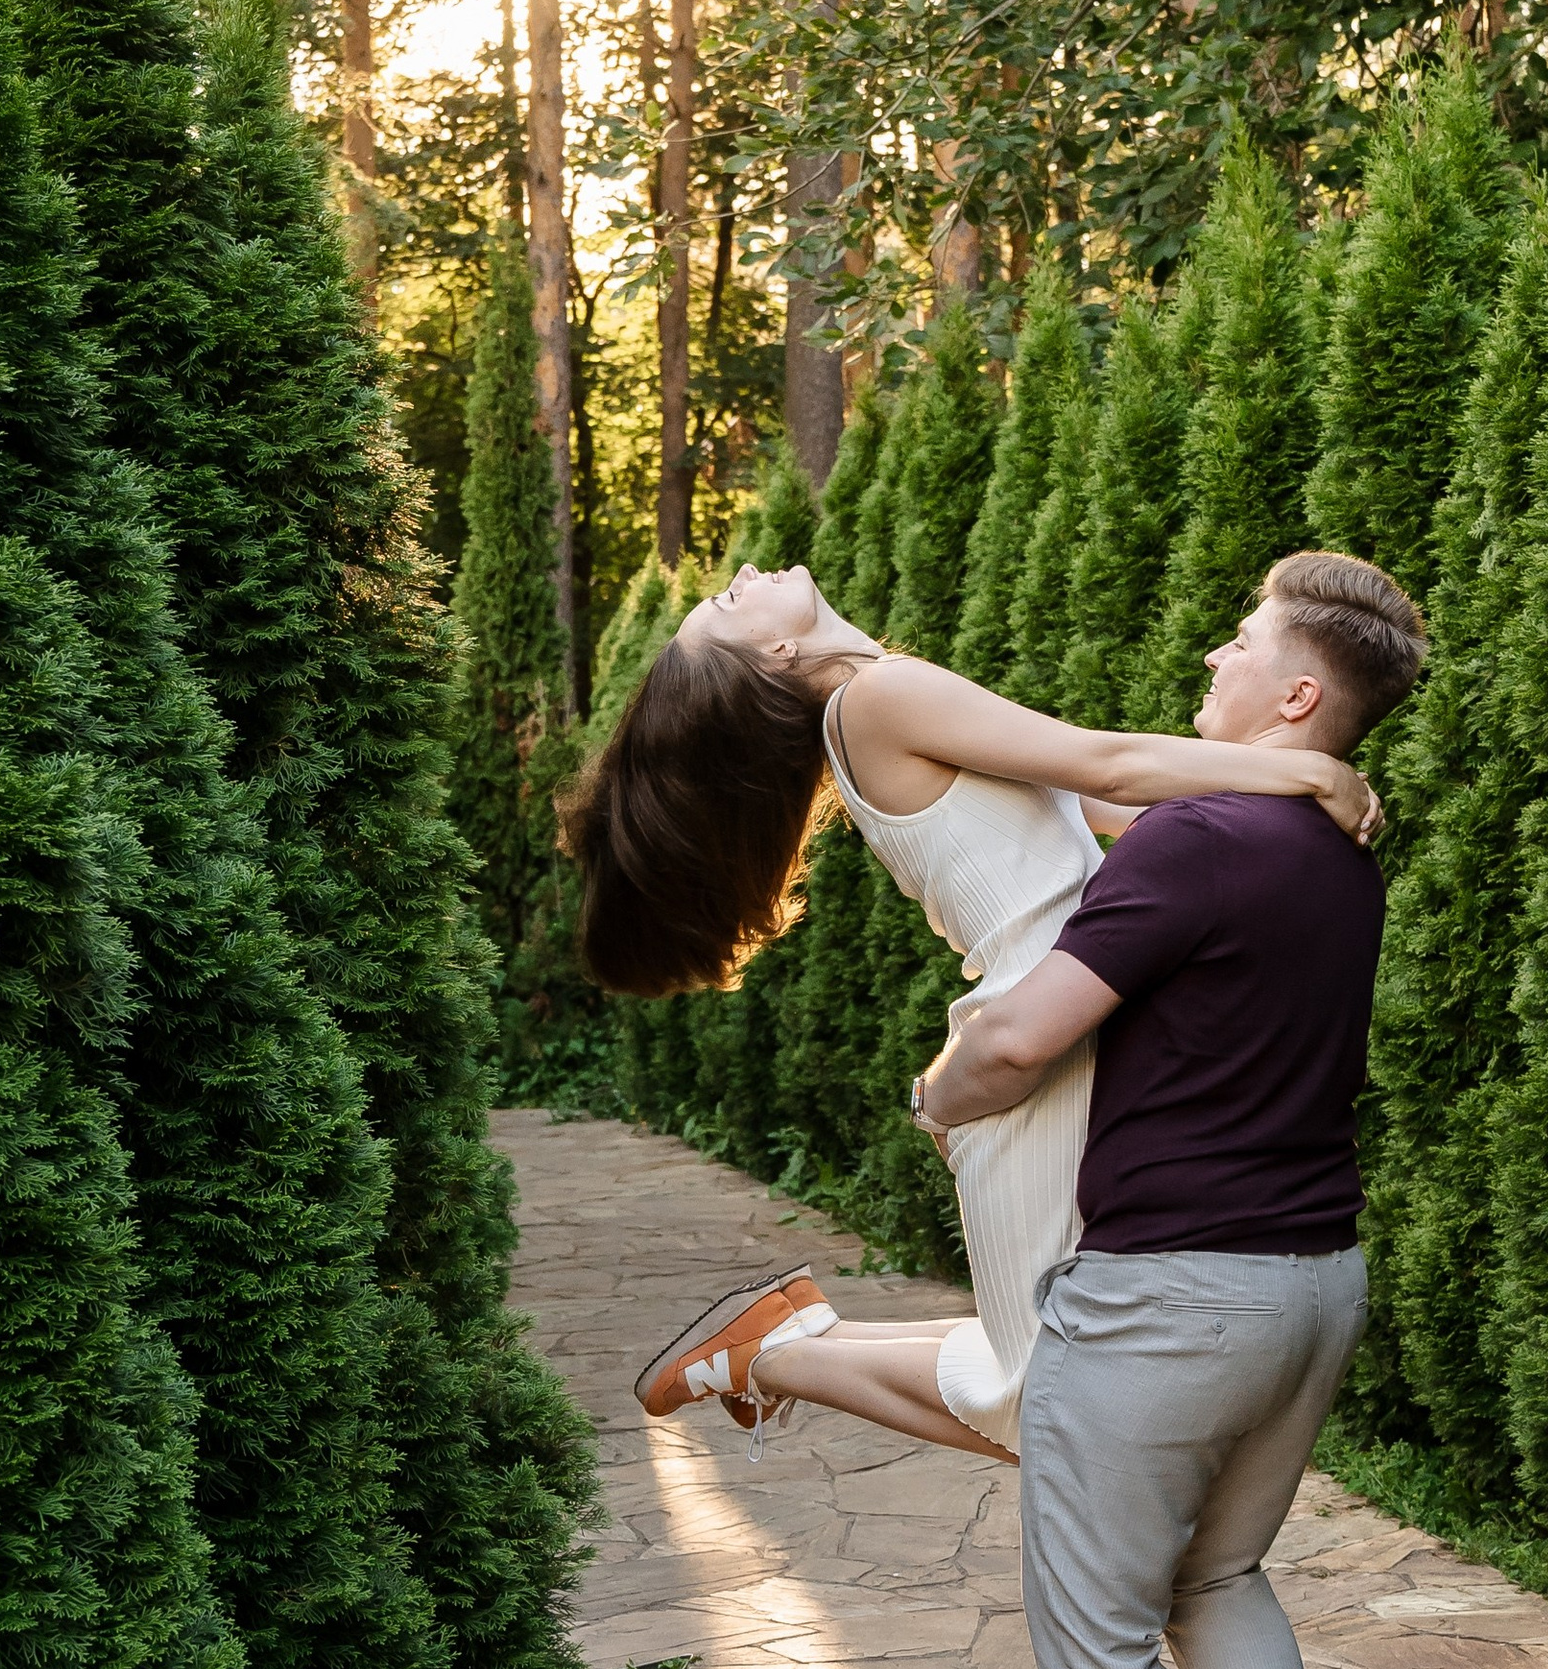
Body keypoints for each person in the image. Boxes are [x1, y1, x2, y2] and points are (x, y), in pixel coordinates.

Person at [904, 554, 1427, 1669]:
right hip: (1312, 1285)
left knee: (1100, 1630)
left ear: (1300, 695)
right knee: (1219, 1580)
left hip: (1167, 1302)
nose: (1214, 650)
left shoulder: (1203, 842)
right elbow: (1100, 799)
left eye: (1244, 640)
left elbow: (1017, 1036)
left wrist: (943, 1095)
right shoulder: (1330, 852)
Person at [558, 556, 1379, 1466]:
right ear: (778, 650)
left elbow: (1105, 801)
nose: (745, 571)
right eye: (728, 601)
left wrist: (1282, 773)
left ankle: (784, 1339)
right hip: (1036, 1049)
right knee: (1048, 1408)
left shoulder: (882, 696)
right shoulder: (880, 701)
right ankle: (781, 1358)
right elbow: (1114, 762)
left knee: (1063, 1373)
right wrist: (1314, 775)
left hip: (1080, 1025)